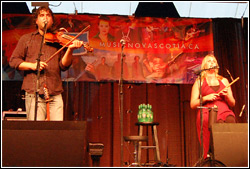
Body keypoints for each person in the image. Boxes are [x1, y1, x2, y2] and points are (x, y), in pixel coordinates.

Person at [9, 6, 83, 121]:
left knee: (56, 131)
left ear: (52, 20)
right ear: (36, 20)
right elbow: (13, 61)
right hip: (34, 91)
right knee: (36, 132)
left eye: (48, 15)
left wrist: (70, 49)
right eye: (42, 15)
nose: (45, 18)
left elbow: (64, 66)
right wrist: (33, 66)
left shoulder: (58, 40)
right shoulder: (27, 39)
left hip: (54, 90)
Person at [190, 54, 236, 159]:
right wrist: (206, 98)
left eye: (214, 61)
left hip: (223, 109)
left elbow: (233, 103)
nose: (212, 63)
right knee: (214, 125)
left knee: (230, 120)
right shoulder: (199, 82)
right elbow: (192, 103)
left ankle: (229, 155)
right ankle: (213, 157)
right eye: (209, 61)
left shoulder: (224, 80)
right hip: (208, 110)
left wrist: (227, 96)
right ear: (204, 65)